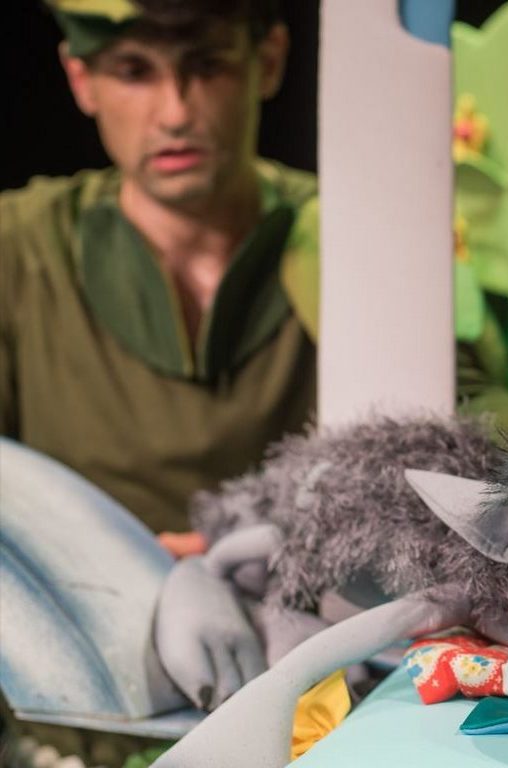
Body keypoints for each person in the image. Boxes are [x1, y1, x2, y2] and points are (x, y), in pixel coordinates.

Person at [0, 1, 315, 764]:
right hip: (72, 742)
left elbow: (457, 463)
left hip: (310, 724)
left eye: (206, 65)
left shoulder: (348, 238)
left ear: (269, 60)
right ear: (81, 79)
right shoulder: (22, 252)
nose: (174, 112)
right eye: (134, 71)